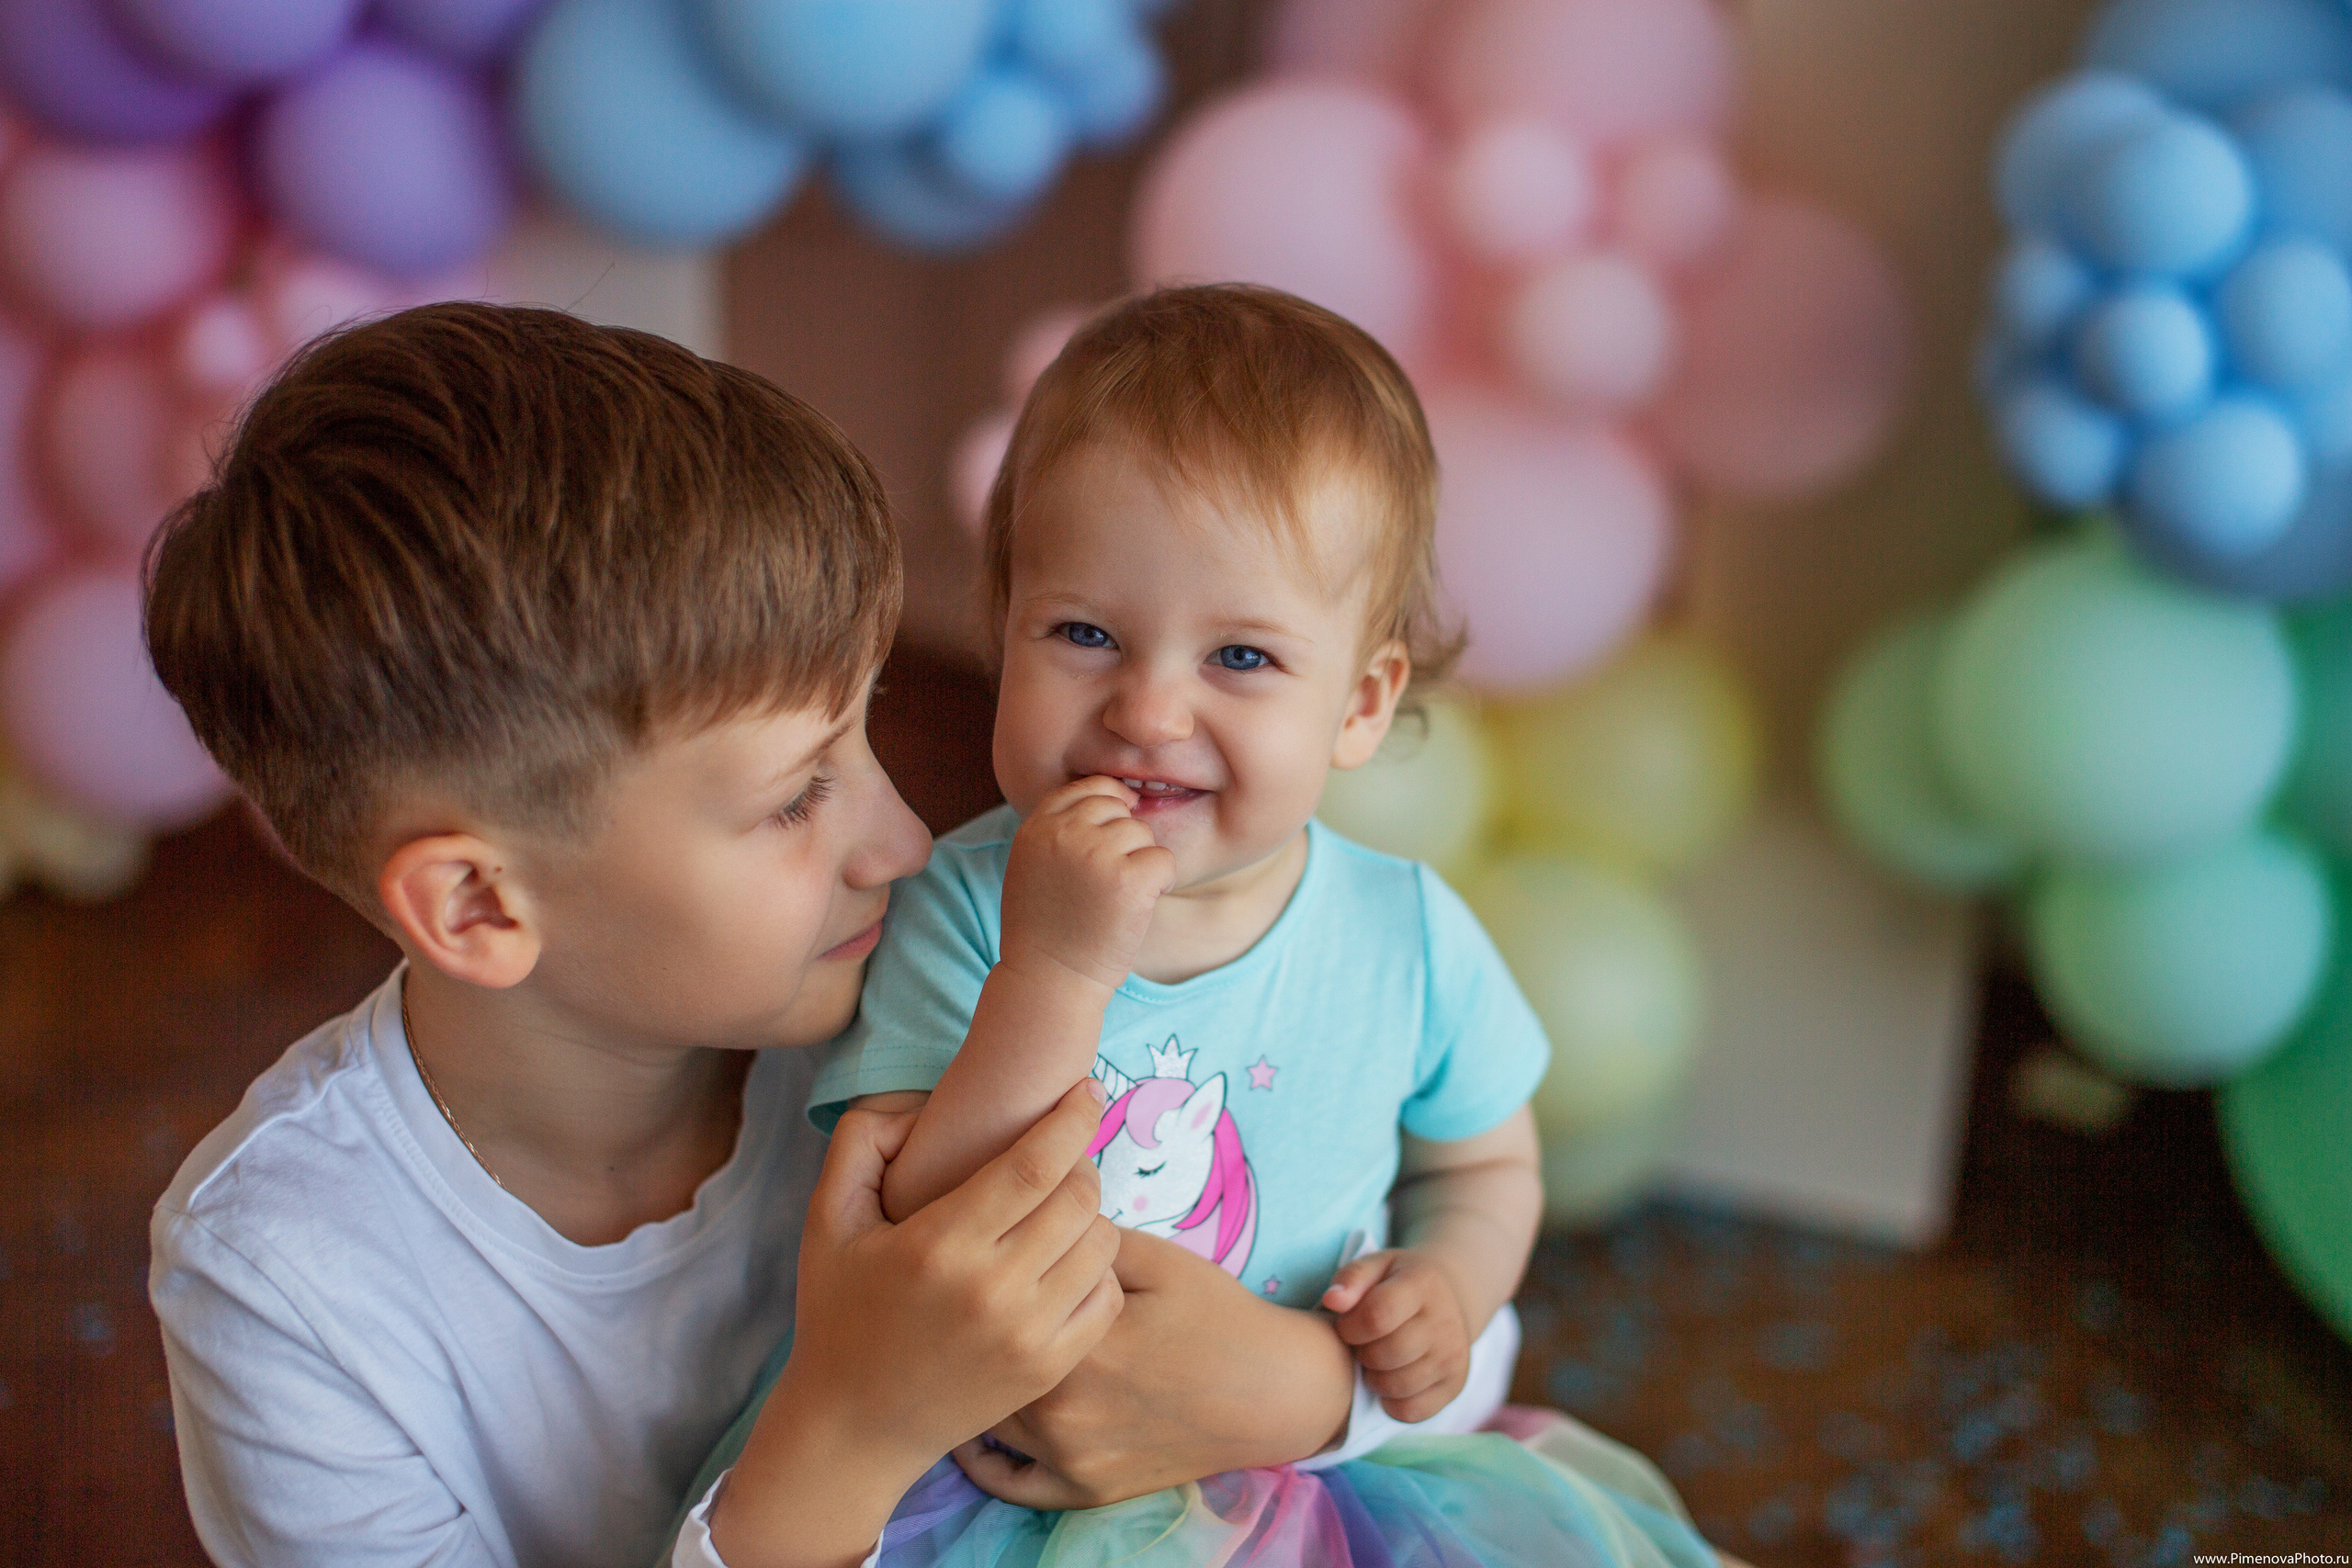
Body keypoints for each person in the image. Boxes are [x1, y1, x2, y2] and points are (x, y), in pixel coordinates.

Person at [141, 302, 1374, 1568]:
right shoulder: (283, 1283)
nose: (904, 840)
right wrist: (853, 1424)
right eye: (795, 797)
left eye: (867, 727)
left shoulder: (950, 980)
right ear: (480, 907)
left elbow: (1363, 1225)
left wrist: (1300, 1386)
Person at [696, 286, 1722, 1566]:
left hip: (1291, 1484)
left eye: (1239, 658)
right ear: (1003, 628)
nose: (1148, 711)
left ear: (1361, 703)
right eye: (1083, 634)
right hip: (977, 1492)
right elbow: (924, 1219)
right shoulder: (962, 904)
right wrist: (1060, 961)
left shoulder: (1405, 932)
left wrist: (1447, 1286)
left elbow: (1486, 1166)